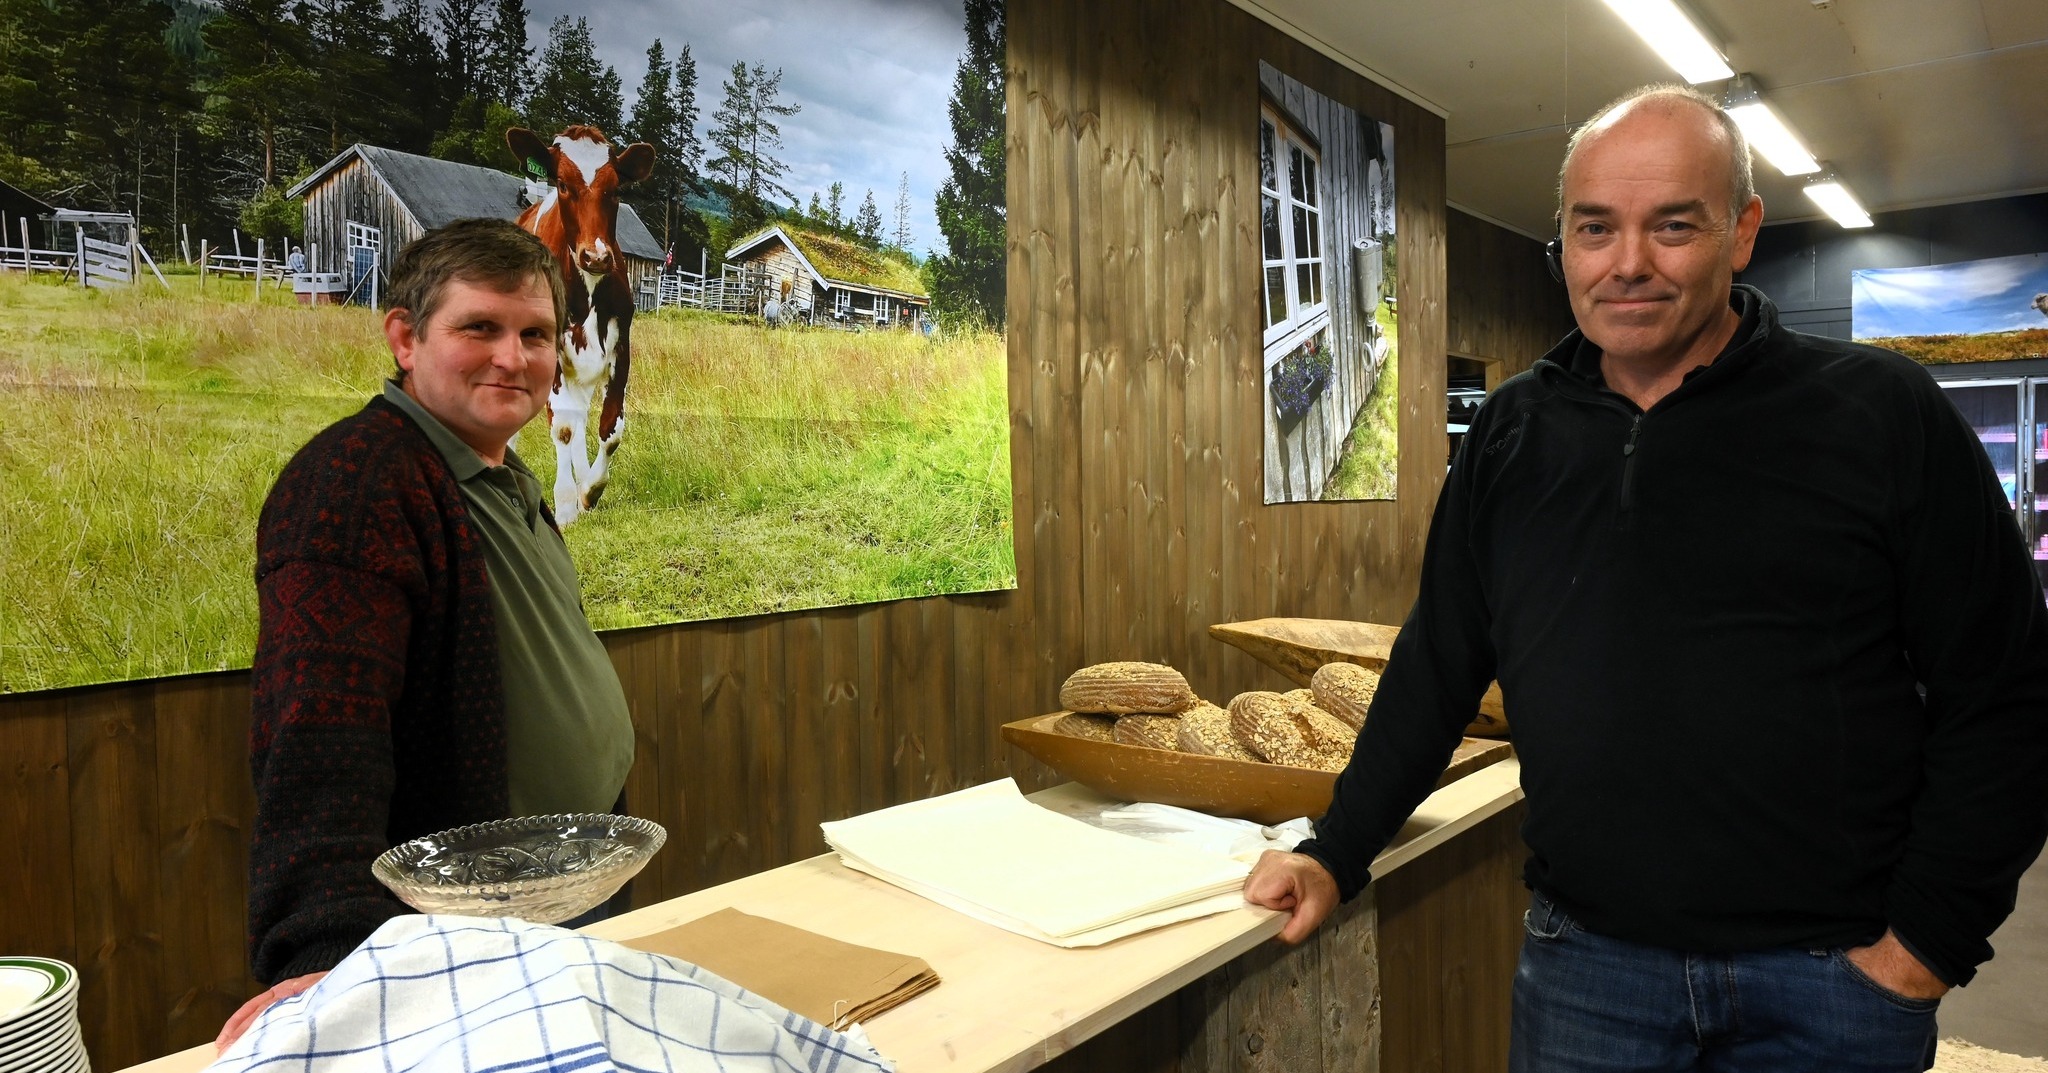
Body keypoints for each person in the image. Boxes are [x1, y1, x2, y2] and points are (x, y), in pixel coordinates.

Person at [1245, 84, 2048, 1072]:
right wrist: (1335, 845)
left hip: (1825, 980)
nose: (1626, 262)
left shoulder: (1879, 414)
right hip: (1585, 967)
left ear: (1740, 231)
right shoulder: (1510, 431)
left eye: (1672, 225)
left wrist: (1925, 938)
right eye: (1594, 228)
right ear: (1565, 241)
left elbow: (2005, 688)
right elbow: (1437, 659)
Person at [220, 218, 635, 1049]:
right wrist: (331, 950)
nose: (514, 358)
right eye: (479, 327)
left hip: (562, 899)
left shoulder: (501, 471)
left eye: (536, 334)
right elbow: (319, 735)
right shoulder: (357, 483)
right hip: (453, 937)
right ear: (406, 338)